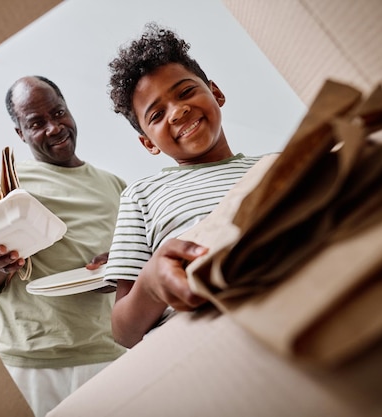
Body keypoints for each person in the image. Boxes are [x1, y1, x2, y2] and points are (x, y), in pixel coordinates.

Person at [0, 75, 127, 417]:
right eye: (36, 123)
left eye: (58, 113)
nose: (54, 127)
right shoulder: (4, 185)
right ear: (20, 133)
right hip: (25, 362)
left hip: (105, 354)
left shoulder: (116, 186)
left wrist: (121, 264)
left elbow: (143, 264)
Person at [104, 23, 265, 348]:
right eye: (157, 114)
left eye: (185, 92)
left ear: (215, 93)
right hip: (204, 341)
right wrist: (150, 285)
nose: (178, 111)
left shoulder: (273, 166)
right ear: (148, 143)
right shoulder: (141, 196)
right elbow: (124, 332)